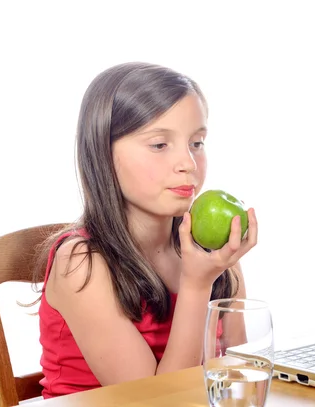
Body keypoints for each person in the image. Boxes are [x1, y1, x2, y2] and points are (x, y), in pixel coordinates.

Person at [34, 62, 258, 398]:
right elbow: (159, 400)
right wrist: (197, 286)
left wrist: (218, 273)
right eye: (159, 145)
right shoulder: (81, 263)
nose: (188, 163)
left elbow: (236, 376)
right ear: (104, 155)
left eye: (196, 143)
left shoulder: (208, 252)